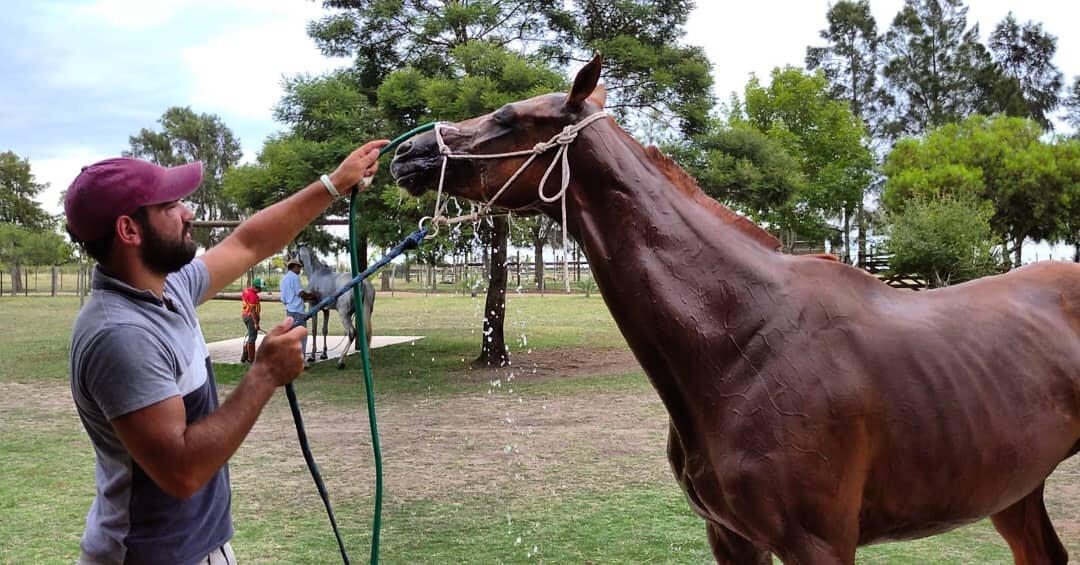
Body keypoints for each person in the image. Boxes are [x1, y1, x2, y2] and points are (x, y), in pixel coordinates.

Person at [64, 138, 389, 565]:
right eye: (170, 206)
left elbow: (248, 243)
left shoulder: (169, 287)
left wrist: (331, 185)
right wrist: (264, 374)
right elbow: (181, 471)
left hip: (199, 547)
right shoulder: (121, 335)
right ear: (129, 230)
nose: (189, 213)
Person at [279, 257, 308, 364]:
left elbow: (283, 298)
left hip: (289, 310)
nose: (300, 270)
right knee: (301, 335)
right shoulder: (294, 277)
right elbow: (300, 293)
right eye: (299, 267)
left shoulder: (284, 279)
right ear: (294, 267)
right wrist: (311, 295)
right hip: (298, 310)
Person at [239, 278, 263, 363]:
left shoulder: (246, 291)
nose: (261, 290)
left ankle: (244, 356)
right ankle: (251, 358)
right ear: (256, 287)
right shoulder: (253, 296)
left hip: (245, 315)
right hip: (251, 317)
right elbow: (253, 311)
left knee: (250, 336)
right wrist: (256, 323)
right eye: (260, 288)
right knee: (252, 338)